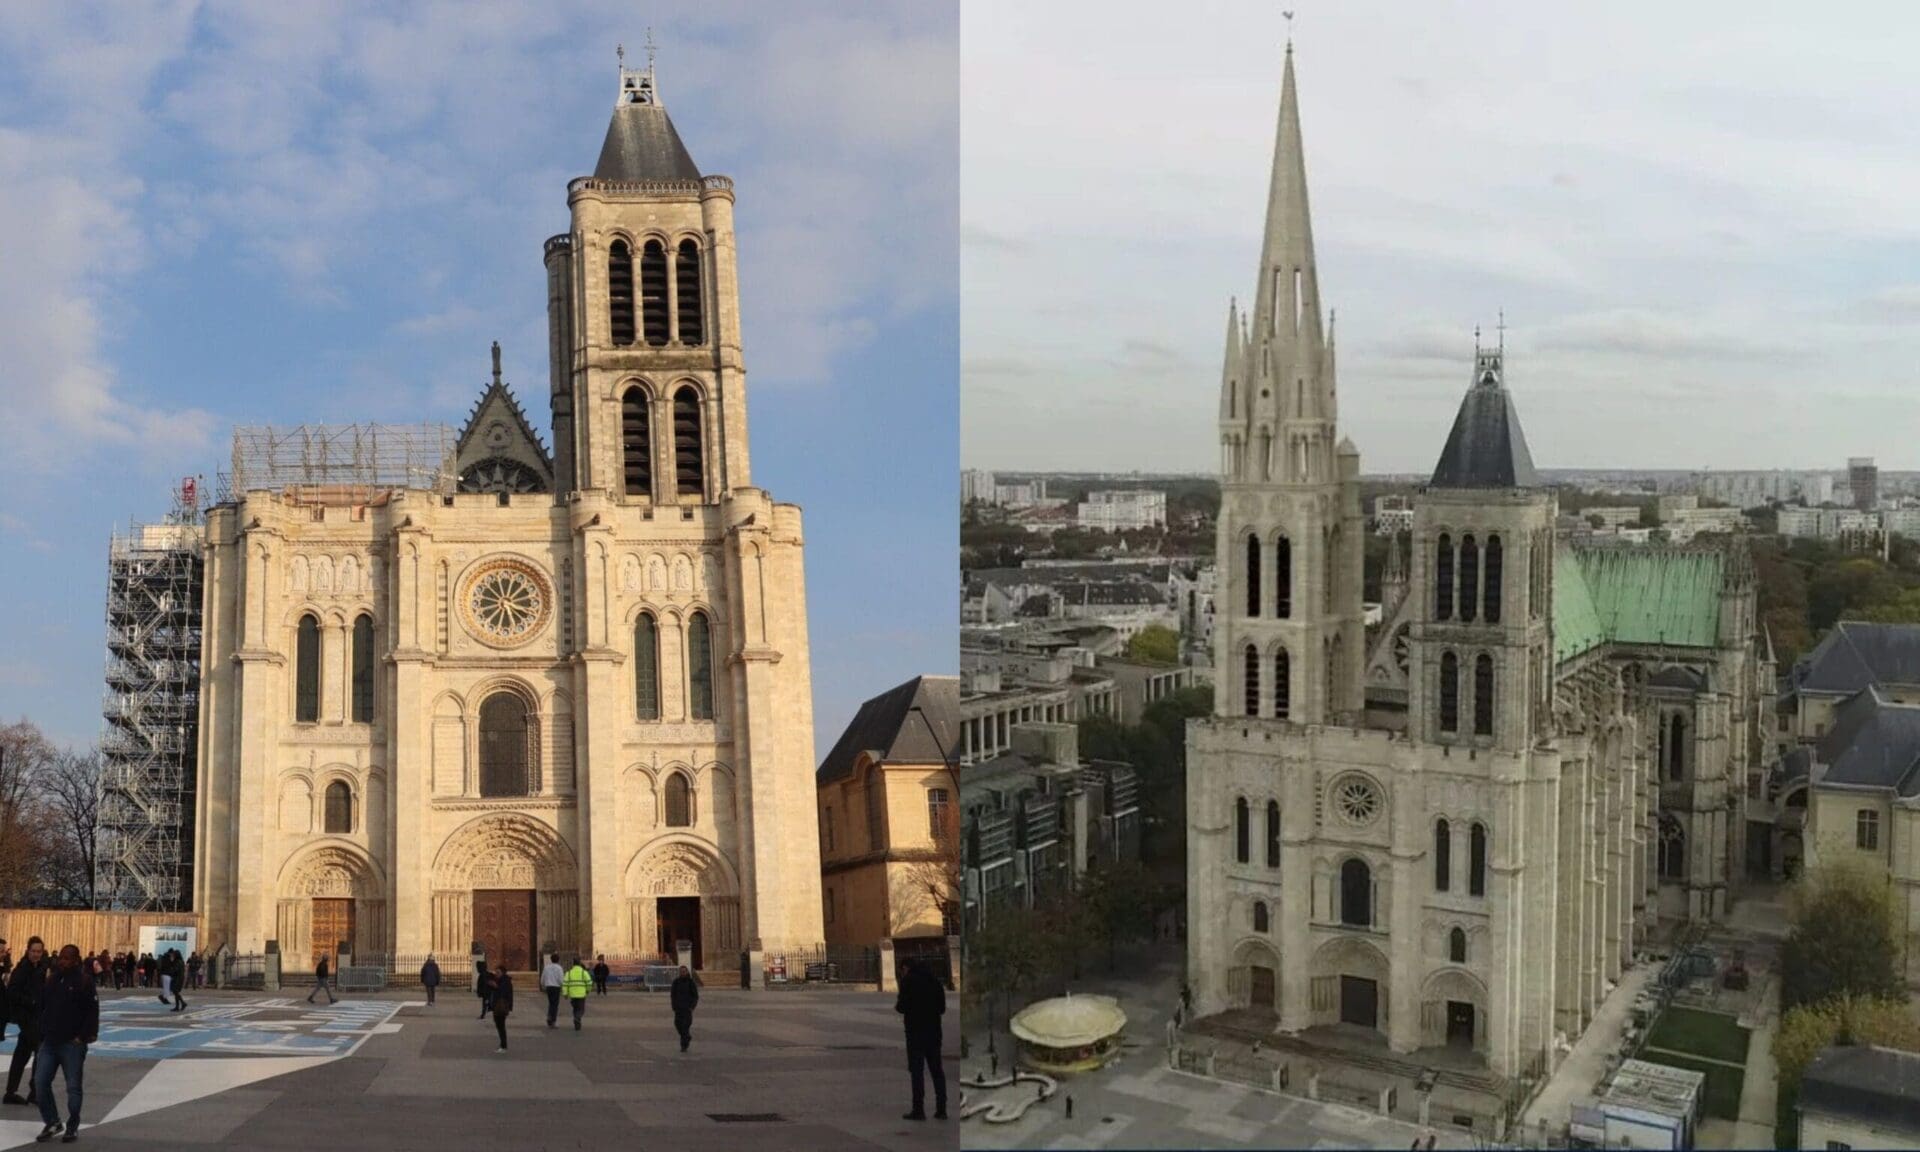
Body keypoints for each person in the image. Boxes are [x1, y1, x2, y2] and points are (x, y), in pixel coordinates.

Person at [31, 945, 96, 1145]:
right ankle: (52, 1121)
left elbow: (92, 1010)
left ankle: (72, 1126)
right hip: (50, 1041)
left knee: (73, 1087)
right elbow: (44, 1006)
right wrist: (41, 1032)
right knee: (40, 1083)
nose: (63, 961)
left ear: (76, 960)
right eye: (61, 958)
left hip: (72, 1043)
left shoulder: (84, 981)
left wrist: (83, 1036)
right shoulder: (52, 979)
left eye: (67, 958)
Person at [895, 958, 948, 1121]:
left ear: (906, 968)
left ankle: (918, 1109)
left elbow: (901, 1007)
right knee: (937, 1071)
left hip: (915, 1033)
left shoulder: (908, 982)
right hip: (933, 1033)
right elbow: (942, 1008)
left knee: (917, 1072)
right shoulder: (935, 982)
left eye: (901, 970)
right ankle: (941, 1109)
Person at [4, 937, 50, 1106]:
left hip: (37, 1017)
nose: (36, 954)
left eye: (39, 951)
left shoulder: (41, 968)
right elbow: (12, 992)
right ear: (28, 951)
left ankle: (11, 1092)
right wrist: (30, 1001)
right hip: (27, 1018)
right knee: (41, 1051)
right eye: (33, 951)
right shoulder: (22, 969)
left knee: (21, 1054)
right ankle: (35, 1091)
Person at [668, 965, 698, 1052]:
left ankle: (684, 1045)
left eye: (684, 971)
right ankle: (687, 1037)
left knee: (685, 1027)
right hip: (678, 1009)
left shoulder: (691, 982)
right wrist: (673, 1005)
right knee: (677, 1025)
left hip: (687, 1009)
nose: (683, 973)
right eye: (681, 971)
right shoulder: (676, 982)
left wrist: (692, 1007)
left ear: (687, 972)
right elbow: (673, 995)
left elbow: (695, 996)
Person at [489, 962, 514, 1054]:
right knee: (499, 1026)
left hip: (501, 1007)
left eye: (498, 972)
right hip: (497, 1006)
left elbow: (503, 993)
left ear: (503, 973)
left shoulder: (505, 981)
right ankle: (502, 1044)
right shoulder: (499, 980)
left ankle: (504, 1046)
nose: (496, 974)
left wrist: (495, 987)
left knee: (501, 1026)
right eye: (496, 972)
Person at [562, 957, 591, 1031]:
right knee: (581, 1009)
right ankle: (577, 1018)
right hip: (581, 994)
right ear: (580, 963)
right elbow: (589, 982)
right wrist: (588, 990)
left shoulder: (569, 973)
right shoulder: (583, 972)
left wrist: (565, 993)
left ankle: (576, 1019)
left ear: (573, 964)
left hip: (573, 995)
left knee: (575, 1008)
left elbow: (565, 984)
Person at [539, 953, 564, 1028]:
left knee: (551, 1003)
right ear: (558, 960)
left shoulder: (547, 967)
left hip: (548, 987)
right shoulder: (559, 968)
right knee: (555, 1004)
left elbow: (543, 977)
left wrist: (543, 984)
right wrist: (562, 986)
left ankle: (550, 1016)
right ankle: (553, 1020)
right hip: (556, 987)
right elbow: (561, 979)